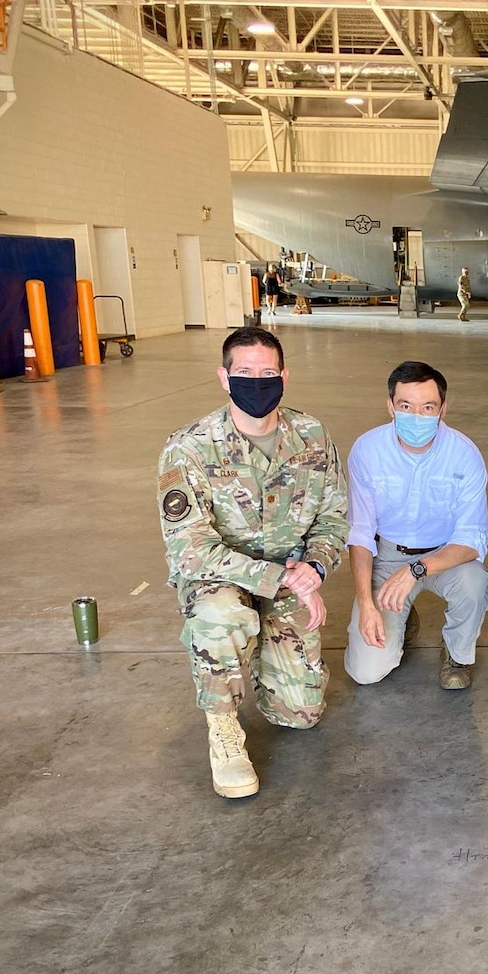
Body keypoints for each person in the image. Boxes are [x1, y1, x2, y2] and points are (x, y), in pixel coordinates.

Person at [157, 327, 349, 798]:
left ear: (284, 376)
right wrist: (281, 575)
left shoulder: (312, 435)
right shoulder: (189, 448)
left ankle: (270, 663)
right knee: (220, 616)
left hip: (288, 581)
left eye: (267, 373)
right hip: (219, 581)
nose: (257, 382)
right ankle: (223, 729)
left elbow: (334, 518)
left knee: (300, 715)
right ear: (224, 378)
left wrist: (316, 567)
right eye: (245, 373)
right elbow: (192, 549)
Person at [343, 361, 488, 691]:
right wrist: (367, 603)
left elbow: (471, 539)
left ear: (443, 410)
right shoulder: (367, 451)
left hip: (445, 556)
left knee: (475, 582)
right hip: (386, 555)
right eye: (406, 406)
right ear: (390, 407)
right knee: (366, 672)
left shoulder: (464, 455)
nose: (417, 416)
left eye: (428, 407)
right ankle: (403, 619)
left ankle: (458, 654)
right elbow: (360, 532)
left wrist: (416, 570)